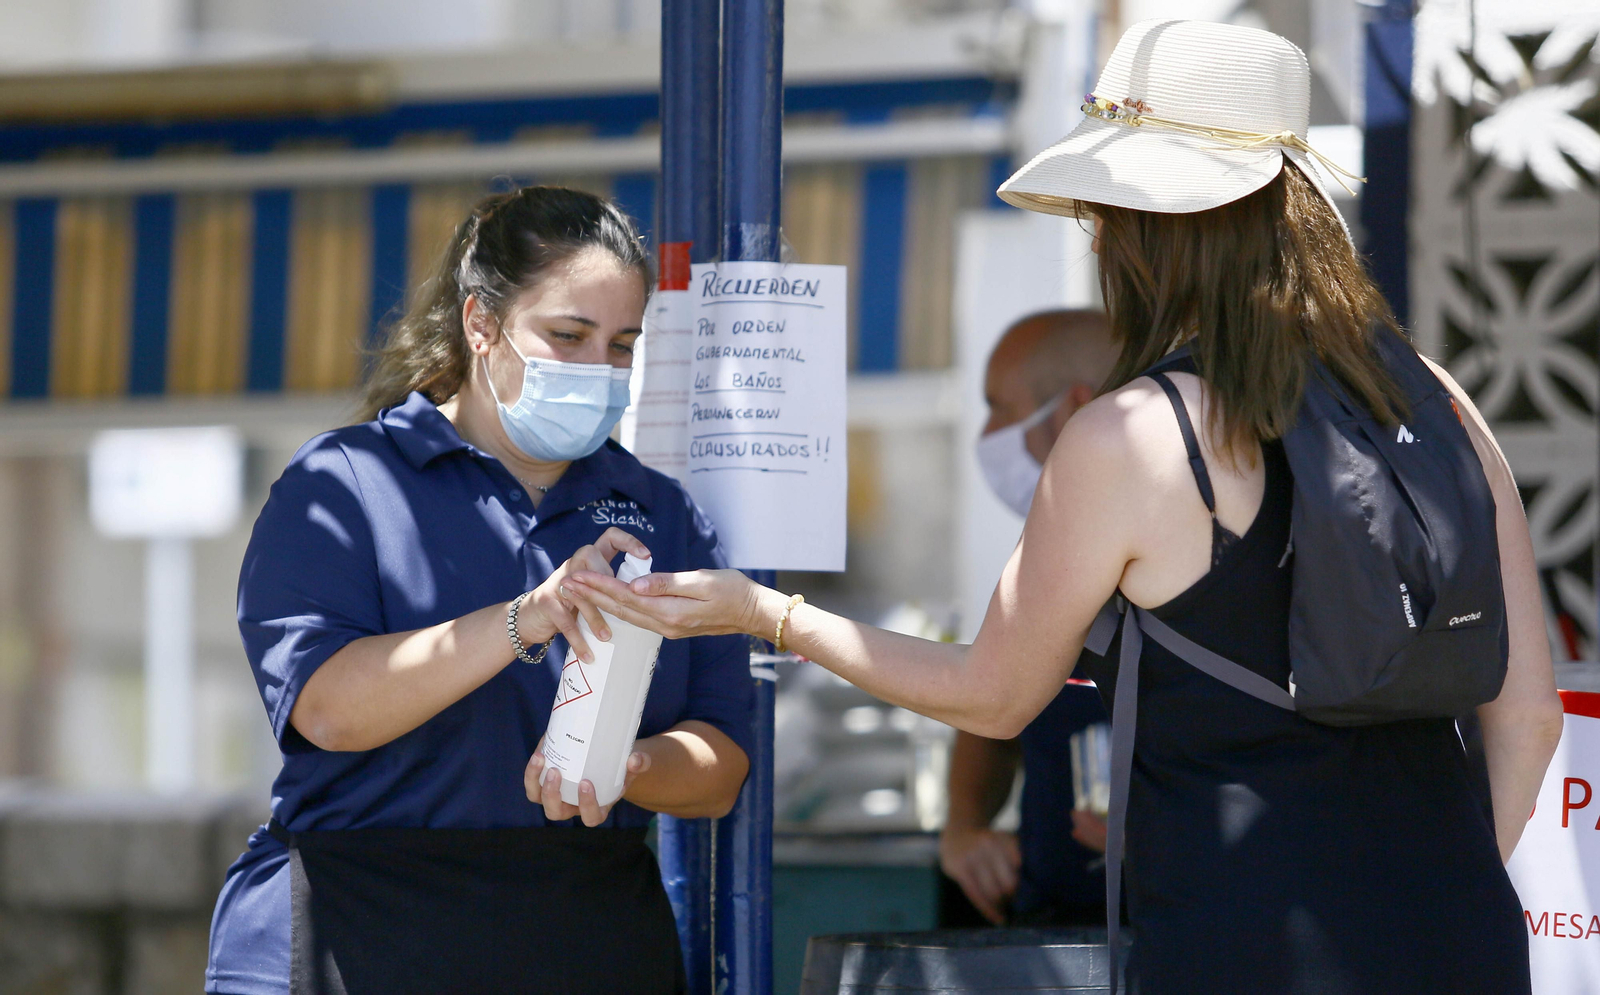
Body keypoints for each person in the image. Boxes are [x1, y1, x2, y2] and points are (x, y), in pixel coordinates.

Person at [560, 21, 1564, 994]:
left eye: (1102, 211)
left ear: (1147, 228)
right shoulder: (1437, 399)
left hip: (1240, 940)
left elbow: (994, 694)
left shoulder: (1134, 434)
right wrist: (1430, 895)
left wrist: (766, 612)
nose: (1095, 236)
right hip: (1458, 933)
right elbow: (1527, 714)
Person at [205, 186, 752, 995]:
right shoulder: (347, 483)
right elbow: (326, 707)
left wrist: (616, 759)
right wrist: (527, 618)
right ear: (480, 324)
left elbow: (723, 765)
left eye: (622, 345)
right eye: (569, 335)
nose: (599, 368)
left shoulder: (659, 512)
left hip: (582, 930)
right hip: (359, 922)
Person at [944, 309, 1118, 927]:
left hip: (1170, 943)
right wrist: (964, 827)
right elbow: (989, 698)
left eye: (1000, 407)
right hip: (1050, 931)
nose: (987, 432)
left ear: (1076, 409)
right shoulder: (1040, 560)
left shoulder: (1188, 562)